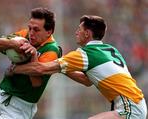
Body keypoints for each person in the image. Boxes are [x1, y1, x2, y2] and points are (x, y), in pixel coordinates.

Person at [9, 15, 147, 119]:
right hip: (137, 104)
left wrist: (16, 69)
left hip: (130, 107)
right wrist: (63, 68)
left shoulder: (85, 54)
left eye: (79, 29)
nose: (76, 32)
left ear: (87, 33)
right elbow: (87, 81)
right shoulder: (110, 49)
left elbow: (40, 69)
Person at [0, 7, 62, 119]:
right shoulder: (24, 35)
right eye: (30, 28)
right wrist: (13, 44)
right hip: (2, 93)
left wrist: (33, 56)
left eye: (36, 30)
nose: (31, 33)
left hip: (20, 106)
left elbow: (36, 82)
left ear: (49, 32)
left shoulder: (51, 51)